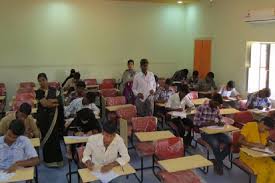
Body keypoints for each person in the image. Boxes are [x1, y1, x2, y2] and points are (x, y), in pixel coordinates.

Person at [193, 93, 231, 175]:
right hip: (205, 132)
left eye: (218, 105)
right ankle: (219, 165)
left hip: (215, 131)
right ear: (212, 100)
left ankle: (217, 160)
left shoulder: (216, 108)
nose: (217, 106)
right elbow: (195, 122)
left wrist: (221, 122)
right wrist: (206, 123)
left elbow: (221, 118)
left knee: (230, 141)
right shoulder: (201, 108)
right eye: (216, 104)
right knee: (215, 144)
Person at [36, 73, 64, 167]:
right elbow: (44, 104)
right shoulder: (39, 92)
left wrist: (50, 102)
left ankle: (58, 160)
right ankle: (49, 161)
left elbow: (59, 102)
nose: (41, 82)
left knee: (55, 138)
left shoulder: (54, 90)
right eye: (39, 81)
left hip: (54, 117)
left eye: (43, 80)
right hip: (44, 119)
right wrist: (53, 102)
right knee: (47, 138)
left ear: (47, 79)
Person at [239, 117, 275, 183]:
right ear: (262, 123)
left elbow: (266, 142)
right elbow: (240, 140)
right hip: (247, 155)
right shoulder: (249, 125)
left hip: (261, 155)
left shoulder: (266, 131)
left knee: (274, 167)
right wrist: (254, 144)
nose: (265, 131)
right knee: (263, 170)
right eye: (265, 128)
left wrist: (271, 145)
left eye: (267, 130)